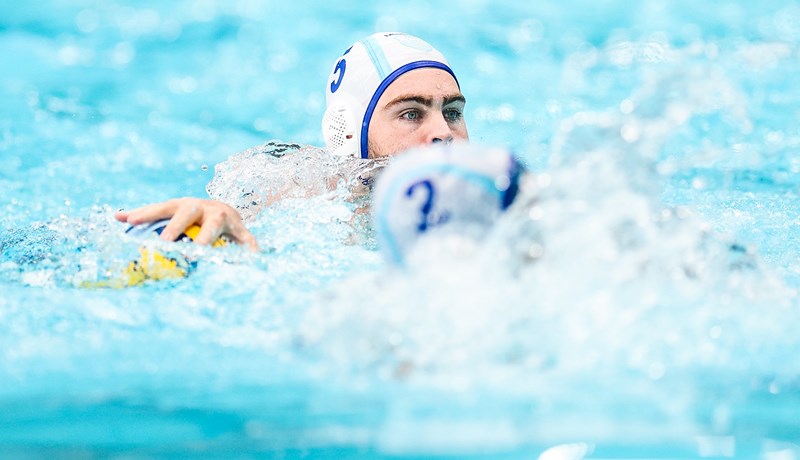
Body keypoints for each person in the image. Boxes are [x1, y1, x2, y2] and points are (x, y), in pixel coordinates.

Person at [114, 32, 469, 251]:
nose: (443, 133)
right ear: (352, 135)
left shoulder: (503, 200)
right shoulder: (307, 197)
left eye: (452, 112)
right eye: (411, 114)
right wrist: (222, 225)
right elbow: (249, 234)